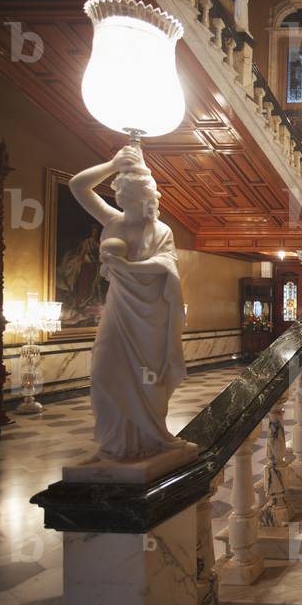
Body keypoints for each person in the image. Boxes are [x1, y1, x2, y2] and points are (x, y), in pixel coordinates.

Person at [69, 144, 187, 460]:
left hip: (152, 315)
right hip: (120, 310)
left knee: (151, 375)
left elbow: (167, 265)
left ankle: (153, 434)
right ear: (128, 199)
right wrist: (112, 164)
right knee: (105, 369)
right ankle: (117, 440)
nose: (155, 202)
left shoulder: (161, 230)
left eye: (154, 198)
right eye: (148, 198)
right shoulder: (112, 220)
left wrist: (128, 267)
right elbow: (78, 186)